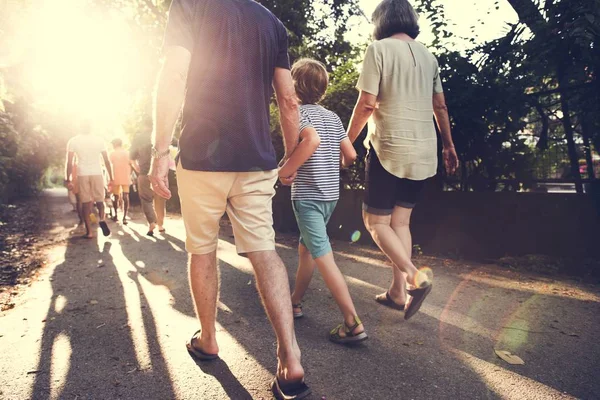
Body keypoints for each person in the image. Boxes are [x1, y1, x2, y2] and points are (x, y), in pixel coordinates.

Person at [150, 1, 309, 398]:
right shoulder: (271, 23)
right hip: (256, 159)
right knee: (263, 250)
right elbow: (288, 98)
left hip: (202, 157)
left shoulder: (190, 5)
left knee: (201, 249)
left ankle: (208, 339)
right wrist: (289, 157)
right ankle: (290, 359)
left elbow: (174, 73)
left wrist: (159, 151)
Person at [346, 0, 459, 320]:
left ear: (380, 21)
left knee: (375, 222)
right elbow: (441, 107)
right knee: (400, 222)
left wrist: (346, 140)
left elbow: (367, 103)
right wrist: (448, 146)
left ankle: (414, 276)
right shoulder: (428, 56)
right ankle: (397, 293)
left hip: (389, 148)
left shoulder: (378, 49)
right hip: (423, 150)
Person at [278, 59, 365, 344]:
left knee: (323, 256)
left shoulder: (298, 114)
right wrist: (331, 165)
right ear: (323, 89)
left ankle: (352, 323)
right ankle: (295, 302)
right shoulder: (333, 118)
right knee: (307, 250)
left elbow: (310, 142)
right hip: (330, 197)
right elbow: (351, 156)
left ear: (294, 84)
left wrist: (286, 170)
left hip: (308, 198)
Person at [65, 122, 113, 239]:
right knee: (100, 200)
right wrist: (111, 177)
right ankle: (101, 219)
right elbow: (106, 160)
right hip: (97, 172)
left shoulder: (73, 141)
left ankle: (90, 232)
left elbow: (69, 162)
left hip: (82, 173)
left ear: (80, 127)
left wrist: (68, 179)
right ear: (91, 128)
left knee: (86, 203)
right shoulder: (99, 140)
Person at [130, 128, 167, 236]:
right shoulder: (160, 134)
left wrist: (137, 167)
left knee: (146, 199)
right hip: (160, 173)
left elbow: (132, 158)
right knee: (160, 198)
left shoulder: (138, 138)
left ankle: (151, 222)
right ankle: (160, 225)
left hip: (144, 173)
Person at [108, 138, 132, 224]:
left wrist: (109, 178)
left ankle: (116, 215)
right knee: (126, 196)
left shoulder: (112, 153)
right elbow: (131, 164)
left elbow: (109, 165)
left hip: (116, 177)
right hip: (126, 176)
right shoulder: (127, 153)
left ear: (115, 144)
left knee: (115, 196)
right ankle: (125, 217)